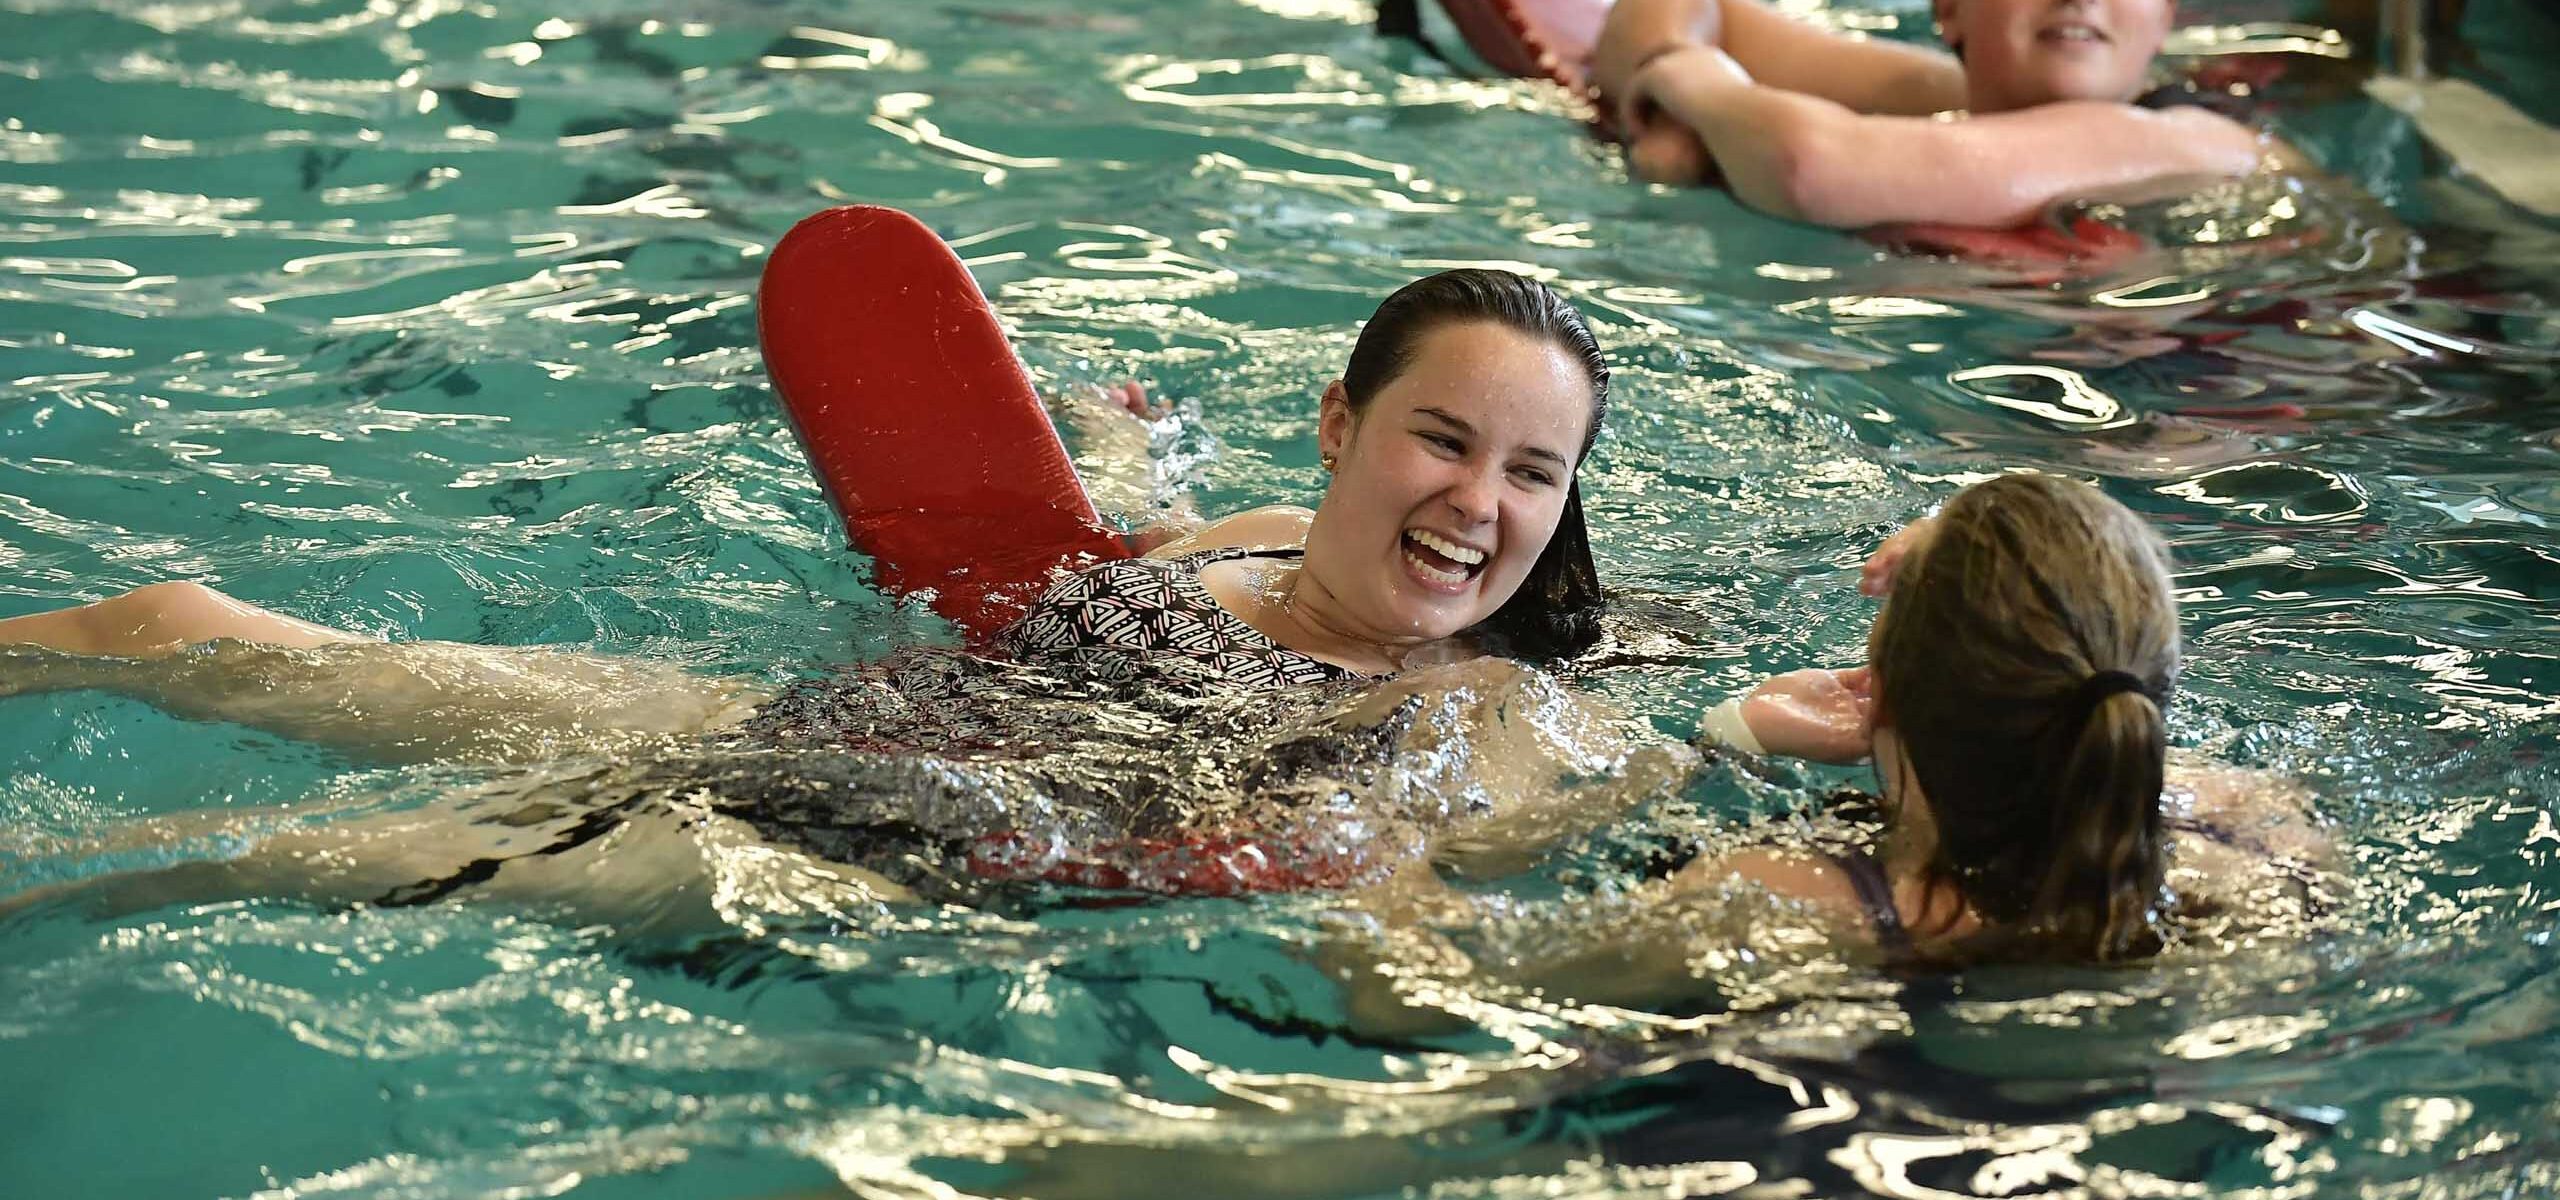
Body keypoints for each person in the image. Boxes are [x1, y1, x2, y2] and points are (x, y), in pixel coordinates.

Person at [0, 269, 1767, 920]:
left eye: (1532, 473)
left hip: (862, 846)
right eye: (1441, 442)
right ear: (1339, 429)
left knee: (266, 859)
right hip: (797, 726)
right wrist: (1112, 468)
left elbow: (1449, 901)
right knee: (175, 623)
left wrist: (1736, 750)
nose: (1478, 504)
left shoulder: (1493, 712)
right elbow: (1079, 568)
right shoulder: (1240, 540)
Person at [1338, 473, 2337, 1025]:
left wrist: (1712, 742)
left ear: (1880, 694)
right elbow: (2084, 638)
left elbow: (1407, 991)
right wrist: (1995, 555)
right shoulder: (2262, 827)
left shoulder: (1779, 901)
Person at [1590, 0, 2280, 228]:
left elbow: (1814, 169)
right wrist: (1683, 109)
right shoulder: (1946, 103)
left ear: (2165, 21)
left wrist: (1693, 90)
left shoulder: (2193, 142)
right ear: (1949, 8)